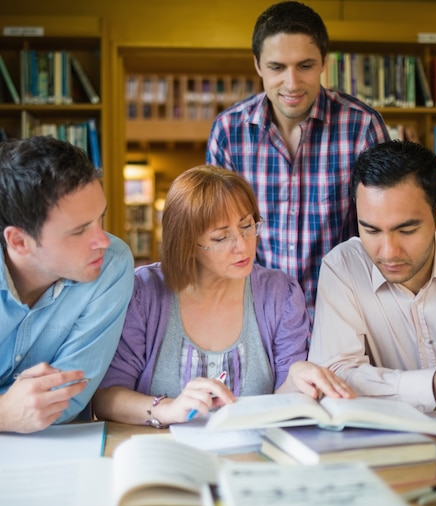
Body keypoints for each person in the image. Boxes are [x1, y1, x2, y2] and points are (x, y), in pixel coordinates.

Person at [93, 165, 353, 427]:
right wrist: (170, 409)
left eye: (247, 226)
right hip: (164, 452)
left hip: (250, 455)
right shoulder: (144, 292)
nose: (242, 245)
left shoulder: (280, 295)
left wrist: (295, 378)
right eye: (221, 237)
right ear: (186, 243)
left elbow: (282, 404)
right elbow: (106, 398)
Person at [206, 1, 390, 317]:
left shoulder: (361, 127)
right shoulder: (228, 132)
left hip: (346, 315)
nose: (291, 84)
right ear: (258, 65)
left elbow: (383, 228)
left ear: (323, 64)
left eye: (304, 66)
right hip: (256, 317)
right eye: (277, 67)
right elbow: (218, 236)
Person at [309, 139, 436, 413]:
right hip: (392, 443)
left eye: (406, 231)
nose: (389, 252)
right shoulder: (342, 267)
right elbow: (334, 376)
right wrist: (435, 386)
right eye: (371, 231)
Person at [0, 135, 134, 433]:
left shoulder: (112, 264)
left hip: (61, 453)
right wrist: (4, 413)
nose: (103, 241)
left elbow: (67, 398)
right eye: (79, 231)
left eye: (101, 218)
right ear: (19, 241)